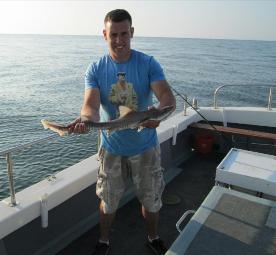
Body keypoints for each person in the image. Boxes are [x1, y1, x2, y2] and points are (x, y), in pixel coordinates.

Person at [69, 9, 176, 255]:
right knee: (108, 202)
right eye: (113, 35)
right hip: (111, 148)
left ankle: (153, 236)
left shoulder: (148, 63)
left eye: (124, 34)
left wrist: (158, 114)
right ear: (104, 34)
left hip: (145, 147)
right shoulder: (95, 69)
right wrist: (86, 120)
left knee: (151, 200)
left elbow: (167, 99)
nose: (119, 40)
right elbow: (91, 106)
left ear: (132, 33)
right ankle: (104, 240)